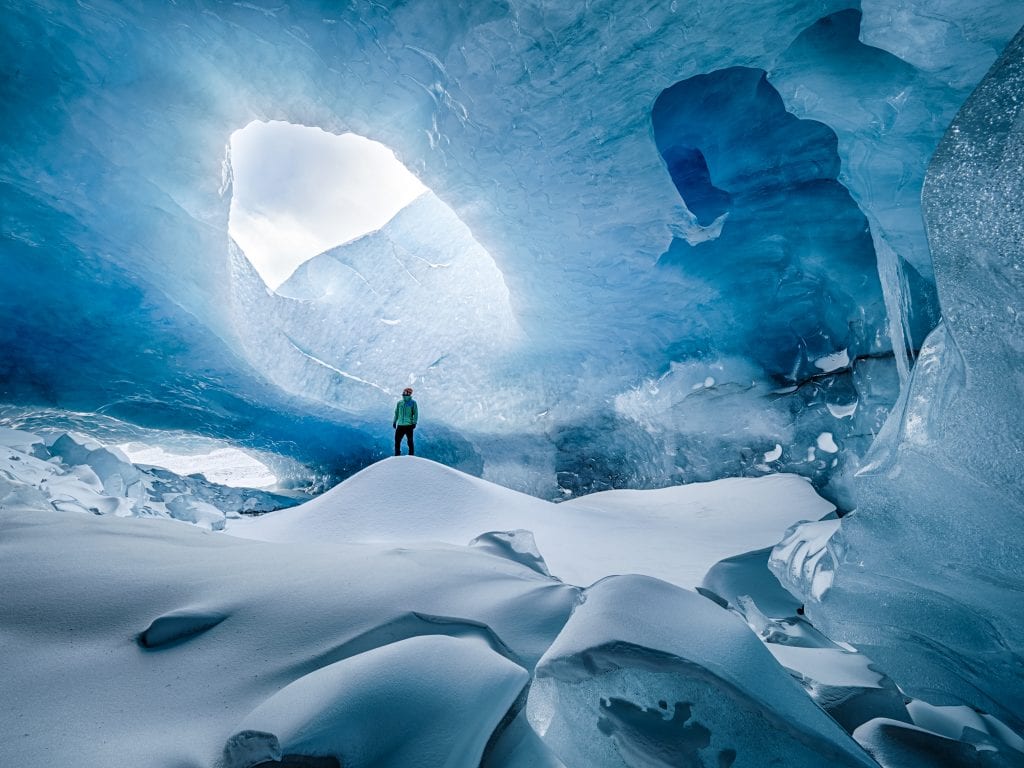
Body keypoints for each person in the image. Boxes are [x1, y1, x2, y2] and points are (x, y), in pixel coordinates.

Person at [393, 387, 418, 456]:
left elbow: (415, 413)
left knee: (410, 441)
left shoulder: (413, 403)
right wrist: (394, 422)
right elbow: (396, 413)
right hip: (400, 425)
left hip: (409, 425)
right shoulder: (399, 403)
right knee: (397, 440)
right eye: (404, 391)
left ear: (410, 393)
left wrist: (414, 422)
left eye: (406, 392)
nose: (404, 393)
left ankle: (411, 455)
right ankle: (397, 454)